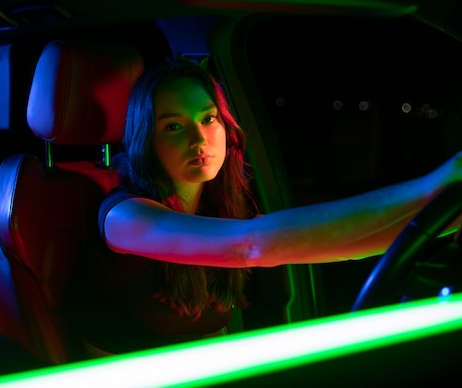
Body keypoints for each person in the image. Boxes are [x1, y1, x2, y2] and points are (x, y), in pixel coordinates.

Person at [81, 57, 462, 356]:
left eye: (207, 118)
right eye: (173, 126)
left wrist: (437, 221)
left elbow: (335, 245)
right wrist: (432, 186)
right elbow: (252, 245)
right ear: (145, 138)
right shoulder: (123, 216)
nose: (199, 138)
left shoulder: (219, 212)